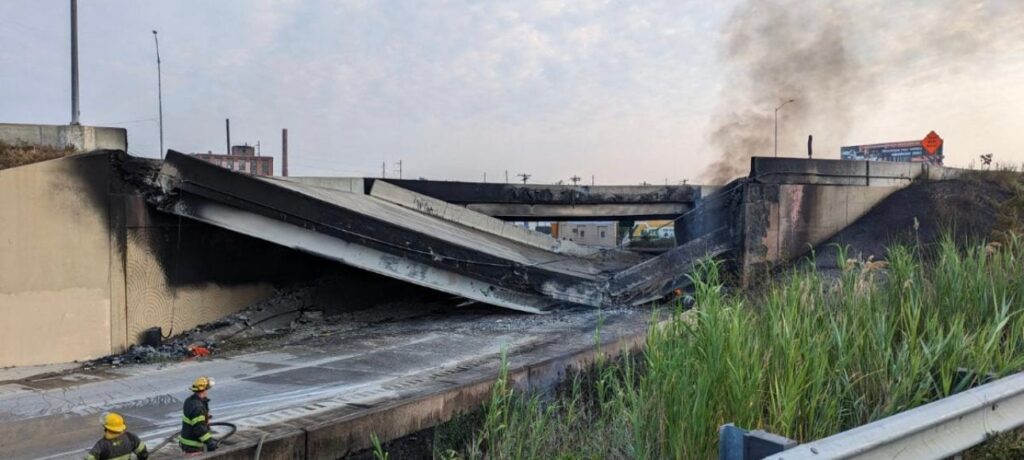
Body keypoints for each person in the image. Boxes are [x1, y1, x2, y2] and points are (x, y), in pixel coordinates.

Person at [180, 376, 219, 454]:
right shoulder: (198, 408)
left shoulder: (189, 400)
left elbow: (195, 420)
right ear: (205, 390)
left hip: (186, 440)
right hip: (192, 445)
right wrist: (210, 442)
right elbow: (199, 428)